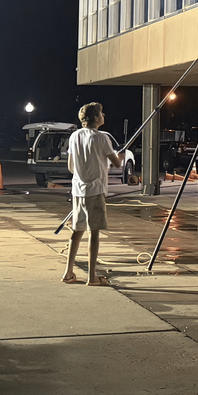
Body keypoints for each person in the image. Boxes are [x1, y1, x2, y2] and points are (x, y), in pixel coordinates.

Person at [63, 101, 119, 285]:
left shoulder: (74, 137)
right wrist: (118, 156)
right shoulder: (102, 138)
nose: (104, 116)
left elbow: (71, 167)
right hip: (95, 191)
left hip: (78, 190)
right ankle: (92, 276)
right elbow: (117, 163)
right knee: (93, 233)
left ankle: (68, 272)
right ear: (96, 117)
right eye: (102, 113)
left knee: (76, 231)